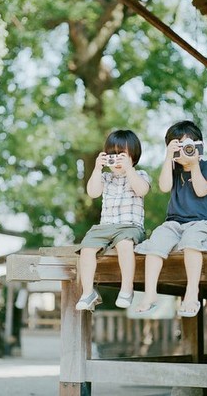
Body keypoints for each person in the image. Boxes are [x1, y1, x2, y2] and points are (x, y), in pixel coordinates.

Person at [134, 120, 207, 317]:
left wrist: (194, 163)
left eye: (189, 145)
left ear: (199, 145)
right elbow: (163, 187)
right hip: (173, 223)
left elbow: (201, 190)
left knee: (191, 243)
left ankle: (192, 293)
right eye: (179, 145)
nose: (185, 150)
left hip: (201, 222)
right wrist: (168, 157)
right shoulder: (173, 168)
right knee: (155, 242)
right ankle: (150, 294)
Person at [75, 129, 151, 311]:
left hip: (129, 227)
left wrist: (129, 169)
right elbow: (93, 192)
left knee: (125, 245)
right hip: (105, 227)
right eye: (113, 155)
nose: (117, 160)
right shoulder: (105, 177)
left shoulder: (140, 175)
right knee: (86, 249)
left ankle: (127, 288)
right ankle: (88, 292)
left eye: (122, 155)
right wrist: (97, 167)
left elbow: (142, 190)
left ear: (133, 156)